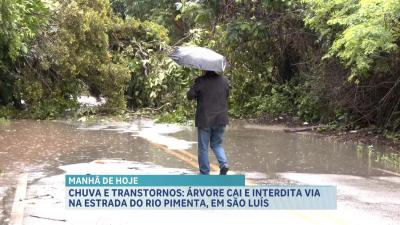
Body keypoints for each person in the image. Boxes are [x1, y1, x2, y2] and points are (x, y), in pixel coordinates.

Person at [187, 70, 230, 175]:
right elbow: (227, 95)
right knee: (217, 144)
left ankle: (205, 173)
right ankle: (224, 164)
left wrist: (196, 85)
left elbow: (190, 95)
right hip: (221, 119)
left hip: (205, 120)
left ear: (204, 69)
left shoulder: (201, 81)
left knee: (203, 148)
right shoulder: (224, 81)